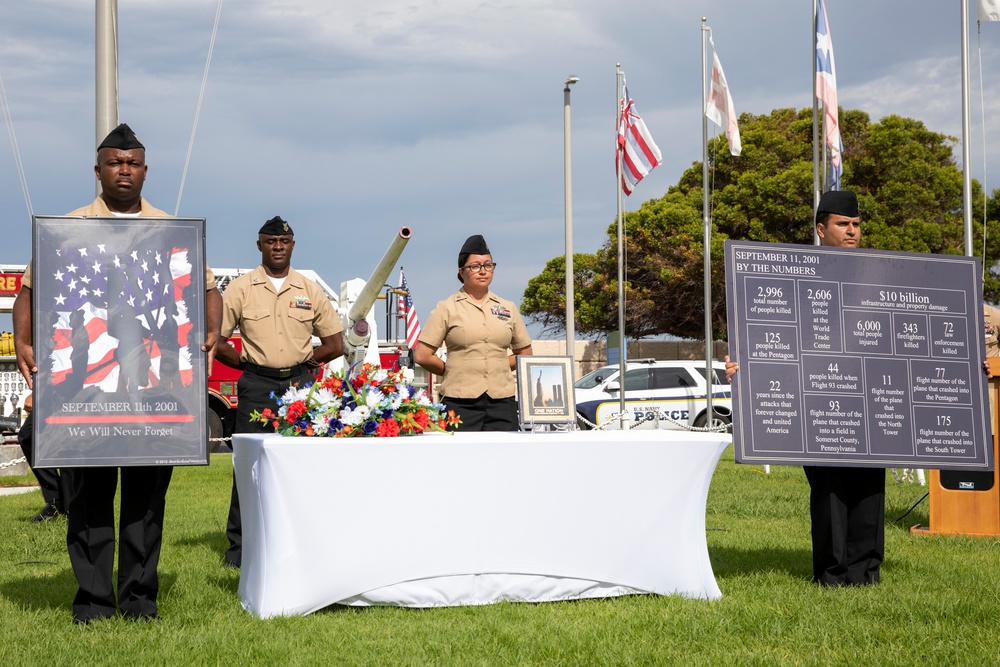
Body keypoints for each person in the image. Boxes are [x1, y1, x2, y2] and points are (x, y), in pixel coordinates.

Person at [12, 123, 223, 622]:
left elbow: (208, 289)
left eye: (132, 163)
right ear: (98, 170)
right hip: (87, 395)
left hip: (154, 393)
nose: (123, 170)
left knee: (147, 504)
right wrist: (22, 341)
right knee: (88, 501)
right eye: (114, 162)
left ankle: (138, 601)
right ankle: (92, 603)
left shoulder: (173, 231)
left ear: (145, 171)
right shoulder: (68, 228)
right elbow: (29, 291)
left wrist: (212, 330)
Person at [725, 190, 885, 586]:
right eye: (843, 225)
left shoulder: (880, 273)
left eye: (857, 225)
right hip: (817, 400)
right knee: (830, 487)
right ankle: (831, 575)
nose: (852, 232)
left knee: (869, 486)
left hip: (868, 397)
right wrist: (744, 367)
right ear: (821, 228)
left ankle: (865, 572)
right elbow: (771, 333)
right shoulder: (794, 274)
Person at [214, 216, 344, 568]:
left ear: (292, 246)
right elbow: (218, 341)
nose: (277, 247)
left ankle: (301, 540)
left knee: (300, 464)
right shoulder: (241, 289)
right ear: (259, 245)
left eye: (283, 242)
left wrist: (306, 362)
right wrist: (247, 365)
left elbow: (335, 343)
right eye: (270, 241)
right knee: (249, 465)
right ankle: (239, 548)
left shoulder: (308, 289)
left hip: (299, 387)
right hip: (256, 385)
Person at [414, 234, 533, 431]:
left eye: (488, 265)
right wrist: (451, 369)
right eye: (475, 266)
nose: (483, 271)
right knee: (460, 460)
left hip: (502, 401)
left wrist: (499, 365)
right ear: (461, 271)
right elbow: (422, 355)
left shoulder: (508, 307)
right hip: (459, 402)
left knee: (506, 458)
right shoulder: (447, 308)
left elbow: (525, 353)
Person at [16, 393, 72, 522]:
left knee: (67, 443)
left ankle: (71, 508)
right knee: (28, 436)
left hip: (72, 386)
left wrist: (36, 393)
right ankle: (56, 500)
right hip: (50, 389)